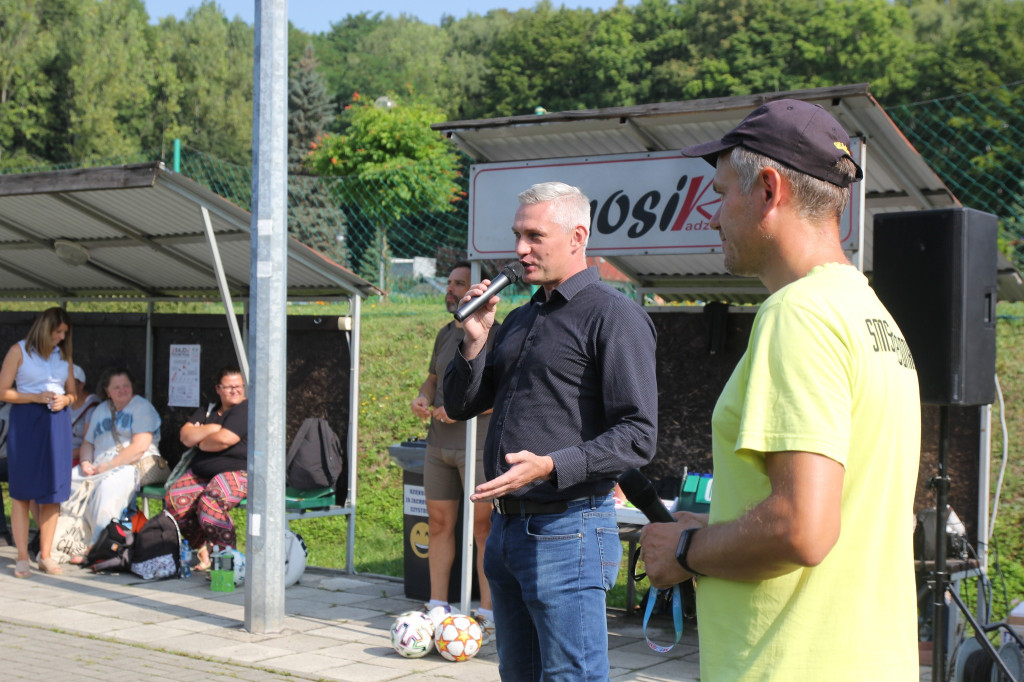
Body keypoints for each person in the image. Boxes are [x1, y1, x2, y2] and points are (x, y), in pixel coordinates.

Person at [638, 99, 921, 681]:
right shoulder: (872, 316)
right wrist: (709, 533)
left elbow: (802, 526)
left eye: (720, 194)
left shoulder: (797, 314)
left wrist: (686, 553)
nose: (713, 216)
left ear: (768, 189)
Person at [444, 182, 659, 680]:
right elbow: (461, 404)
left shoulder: (614, 316)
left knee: (571, 677)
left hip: (570, 530)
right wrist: (475, 342)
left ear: (577, 236)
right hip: (505, 532)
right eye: (518, 235)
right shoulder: (519, 318)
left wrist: (551, 465)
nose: (520, 250)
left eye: (535, 236)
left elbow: (638, 434)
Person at [409, 261, 498, 640]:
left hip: (478, 442)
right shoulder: (446, 333)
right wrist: (423, 396)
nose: (451, 290)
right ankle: (437, 605)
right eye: (449, 283)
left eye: (459, 284)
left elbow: (506, 394)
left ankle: (488, 613)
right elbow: (432, 380)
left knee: (483, 527)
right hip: (439, 443)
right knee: (439, 523)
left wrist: (463, 408)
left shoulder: (498, 334)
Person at [0, 307, 76, 577]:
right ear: (46, 329)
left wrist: (65, 400)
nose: (61, 337)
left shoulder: (63, 355)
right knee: (22, 491)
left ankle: (45, 555)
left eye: (65, 333)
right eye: (59, 332)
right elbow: (3, 391)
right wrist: (33, 397)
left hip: (57, 422)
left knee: (52, 492)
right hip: (27, 420)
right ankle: (22, 556)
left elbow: (72, 393)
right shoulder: (18, 351)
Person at [165, 366, 248, 571]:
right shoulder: (208, 410)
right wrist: (213, 428)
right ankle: (203, 548)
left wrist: (201, 441)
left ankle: (228, 562)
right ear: (218, 389)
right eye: (228, 387)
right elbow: (186, 437)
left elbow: (225, 440)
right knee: (174, 500)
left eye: (238, 386)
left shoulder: (246, 409)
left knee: (210, 502)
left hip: (238, 472)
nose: (234, 391)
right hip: (202, 474)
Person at [72, 367, 162, 556]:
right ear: (107, 391)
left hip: (130, 466)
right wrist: (85, 462)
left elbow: (139, 447)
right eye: (116, 387)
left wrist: (108, 466)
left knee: (107, 489)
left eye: (126, 386)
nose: (122, 390)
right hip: (98, 466)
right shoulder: (101, 409)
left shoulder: (142, 407)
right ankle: (70, 542)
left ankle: (100, 545)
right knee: (68, 483)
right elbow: (88, 442)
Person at [69, 365, 101, 467]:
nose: (65, 387)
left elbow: (88, 444)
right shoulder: (65, 402)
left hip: (76, 459)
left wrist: (61, 456)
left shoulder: (92, 407)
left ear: (81, 385)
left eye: (69, 383)